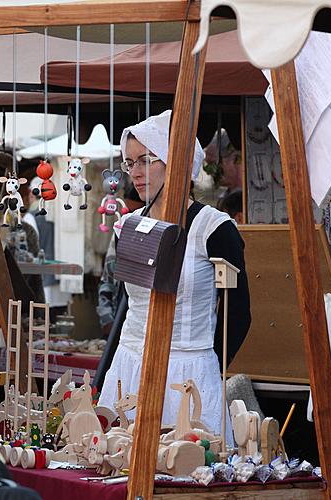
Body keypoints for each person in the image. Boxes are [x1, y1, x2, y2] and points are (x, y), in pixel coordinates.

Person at [98, 111, 251, 438]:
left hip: (188, 372)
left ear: (175, 162)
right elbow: (129, 305)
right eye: (129, 163)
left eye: (145, 160)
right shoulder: (127, 225)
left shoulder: (214, 228)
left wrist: (210, 366)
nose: (135, 173)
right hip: (129, 365)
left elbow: (238, 312)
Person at [96, 184, 145, 336]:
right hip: (119, 324)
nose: (129, 216)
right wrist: (107, 320)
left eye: (134, 212)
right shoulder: (120, 234)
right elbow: (107, 280)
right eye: (126, 211)